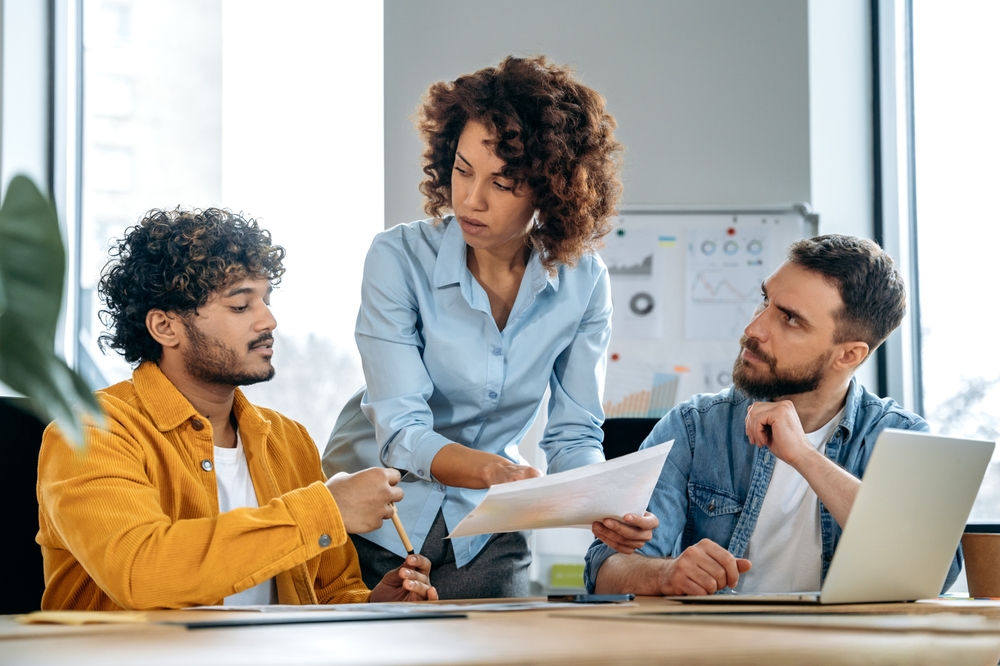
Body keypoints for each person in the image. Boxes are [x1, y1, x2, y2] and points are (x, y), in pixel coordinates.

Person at [324, 55, 656, 599]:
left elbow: (574, 433)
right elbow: (403, 433)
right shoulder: (398, 258)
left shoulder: (584, 282)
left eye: (502, 183)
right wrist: (495, 474)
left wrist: (603, 503)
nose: (471, 200)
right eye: (462, 170)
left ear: (551, 191)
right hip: (379, 517)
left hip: (487, 527)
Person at [36, 208, 438, 610]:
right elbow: (142, 573)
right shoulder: (91, 432)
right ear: (165, 327)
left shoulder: (290, 440)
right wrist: (326, 508)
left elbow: (329, 590)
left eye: (266, 300)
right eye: (241, 306)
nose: (269, 320)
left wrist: (373, 605)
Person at [585, 234, 961, 596]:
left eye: (790, 319)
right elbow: (605, 572)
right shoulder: (695, 427)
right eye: (764, 301)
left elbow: (935, 573)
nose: (753, 329)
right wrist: (665, 575)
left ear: (848, 355)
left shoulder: (901, 436)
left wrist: (805, 456)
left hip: (844, 656)